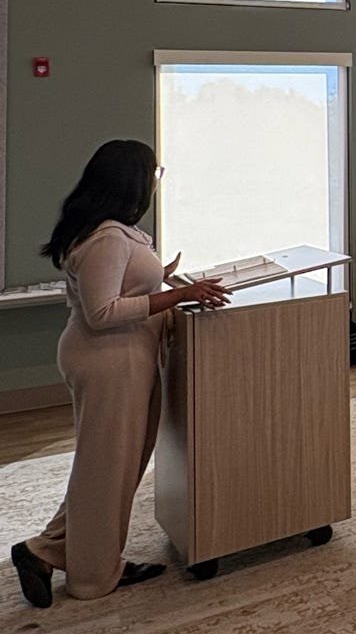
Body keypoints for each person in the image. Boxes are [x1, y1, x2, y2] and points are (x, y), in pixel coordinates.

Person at [11, 140, 230, 608]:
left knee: (111, 467)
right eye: (154, 172)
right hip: (109, 358)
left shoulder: (114, 230)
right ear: (131, 179)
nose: (156, 181)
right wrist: (172, 298)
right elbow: (102, 312)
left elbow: (121, 288)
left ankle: (48, 550)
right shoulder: (107, 236)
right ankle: (91, 574)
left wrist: (164, 279)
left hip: (123, 355)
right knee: (106, 469)